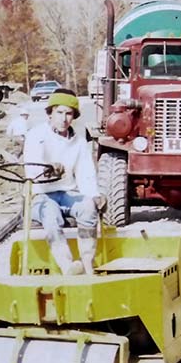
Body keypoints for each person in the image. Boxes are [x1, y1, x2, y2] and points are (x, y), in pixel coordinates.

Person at [23, 89, 104, 274]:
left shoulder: (79, 141)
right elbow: (32, 168)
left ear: (74, 116)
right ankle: (67, 264)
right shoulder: (36, 135)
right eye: (59, 112)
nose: (64, 118)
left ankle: (88, 261)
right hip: (42, 193)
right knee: (50, 216)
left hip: (68, 193)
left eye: (68, 114)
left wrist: (94, 195)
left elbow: (85, 173)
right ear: (50, 113)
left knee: (88, 208)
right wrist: (48, 169)